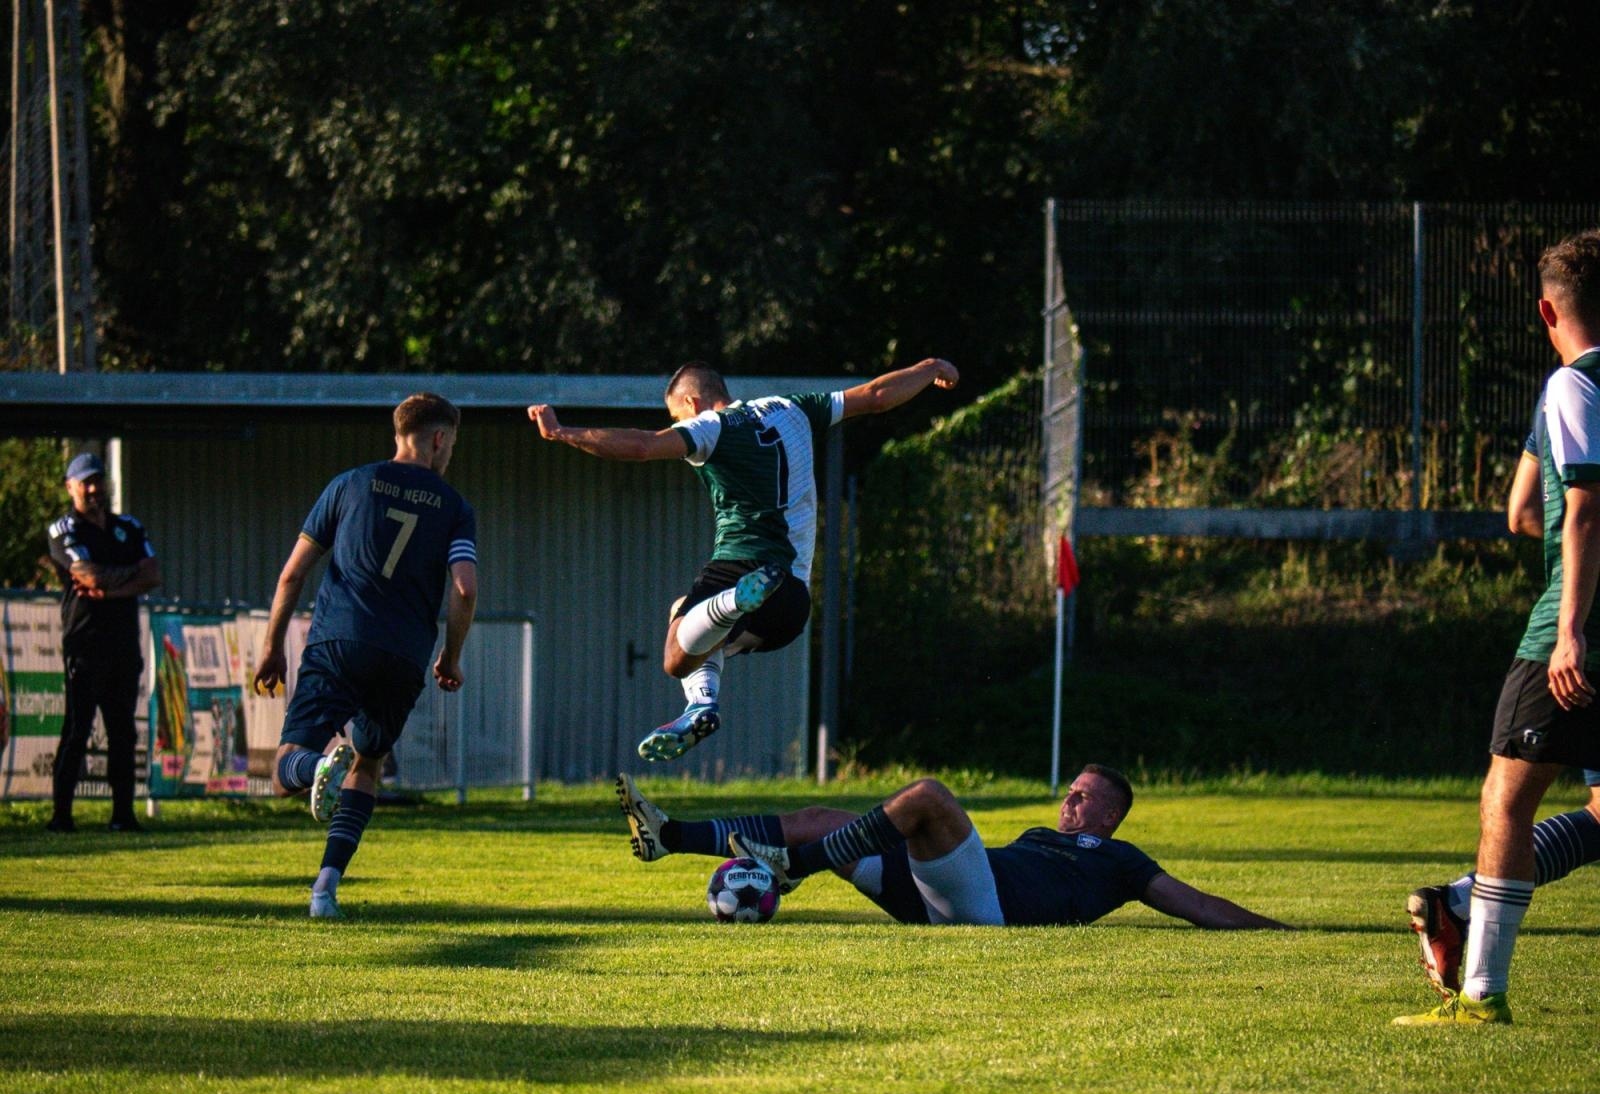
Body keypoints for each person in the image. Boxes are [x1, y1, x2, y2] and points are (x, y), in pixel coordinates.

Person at [528, 358, 959, 762]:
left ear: (691, 403)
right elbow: (876, 395)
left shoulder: (711, 426)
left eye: (677, 415)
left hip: (743, 562)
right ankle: (701, 705)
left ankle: (734, 604)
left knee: (675, 657)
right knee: (692, 623)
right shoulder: (793, 407)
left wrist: (562, 433)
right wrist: (930, 366)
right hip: (792, 601)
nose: (679, 424)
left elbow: (642, 446)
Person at [1396, 229, 1600, 1026]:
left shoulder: (1570, 388)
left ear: (1547, 310)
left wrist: (1571, 628)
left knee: (1506, 801)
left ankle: (1479, 991)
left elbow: (1560, 512)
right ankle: (1456, 900)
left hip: (1574, 627)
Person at [252, 393, 478, 918]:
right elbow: (464, 588)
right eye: (452, 444)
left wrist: (271, 647)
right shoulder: (454, 507)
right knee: (368, 765)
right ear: (439, 439)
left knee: (285, 766)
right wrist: (451, 656)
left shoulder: (349, 484)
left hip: (339, 639)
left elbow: (292, 573)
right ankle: (324, 889)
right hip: (402, 655)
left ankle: (314, 766)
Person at [616, 767, 1289, 929]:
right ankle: (669, 838)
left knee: (929, 797)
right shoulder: (1040, 836)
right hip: (937, 896)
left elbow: (1193, 902)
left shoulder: (1121, 859)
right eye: (1072, 791)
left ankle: (794, 870)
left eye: (1084, 796)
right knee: (821, 814)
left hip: (985, 906)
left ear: (1109, 812)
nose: (1070, 800)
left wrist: (1277, 928)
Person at [45, 452, 163, 833]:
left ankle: (122, 816)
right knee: (77, 729)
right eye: (85, 483)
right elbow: (87, 575)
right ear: (70, 487)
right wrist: (124, 578)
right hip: (85, 642)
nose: (94, 489)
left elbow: (152, 575)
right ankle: (61, 816)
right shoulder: (64, 530)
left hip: (124, 643)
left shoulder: (128, 527)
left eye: (98, 481)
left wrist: (112, 587)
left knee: (123, 731)